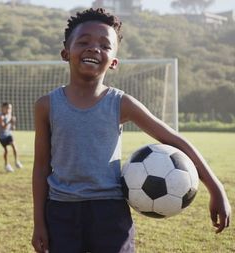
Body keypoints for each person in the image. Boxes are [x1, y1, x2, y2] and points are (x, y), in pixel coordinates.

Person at [31, 8, 231, 253]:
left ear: (114, 61)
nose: (94, 48)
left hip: (110, 213)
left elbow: (174, 140)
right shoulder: (46, 106)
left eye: (105, 46)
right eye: (84, 42)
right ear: (66, 52)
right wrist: (39, 223)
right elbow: (41, 168)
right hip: (61, 212)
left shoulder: (120, 103)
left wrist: (216, 188)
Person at [0, 102, 23, 172]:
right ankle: (6, 165)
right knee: (6, 151)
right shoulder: (1, 116)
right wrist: (10, 122)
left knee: (14, 146)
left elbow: (11, 125)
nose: (9, 110)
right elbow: (3, 127)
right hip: (2, 136)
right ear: (3, 108)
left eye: (10, 108)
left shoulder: (9, 115)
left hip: (9, 134)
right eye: (7, 108)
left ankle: (17, 162)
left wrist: (13, 125)